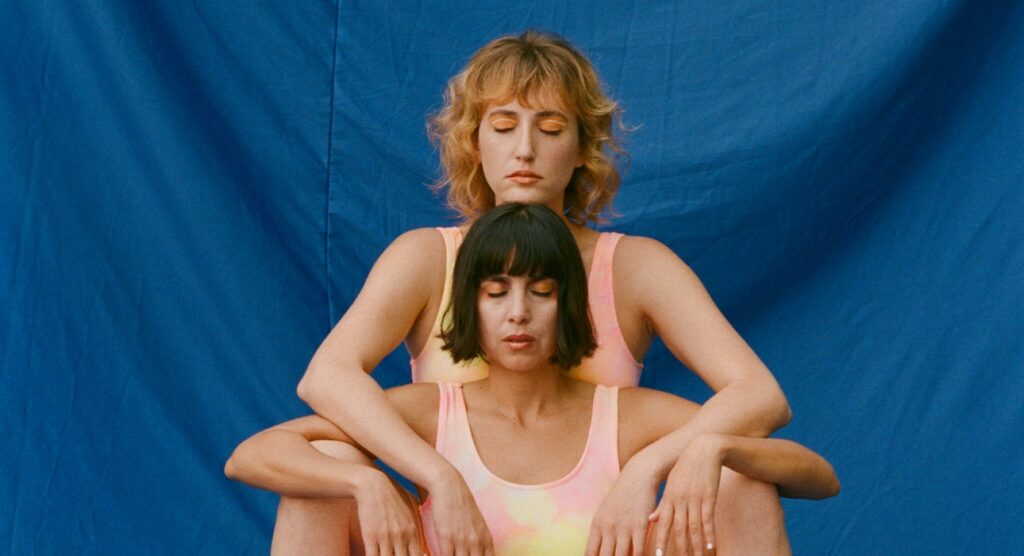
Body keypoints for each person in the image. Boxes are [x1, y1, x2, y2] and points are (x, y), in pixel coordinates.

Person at [290, 30, 796, 555]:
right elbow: (327, 377)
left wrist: (654, 464)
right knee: (327, 468)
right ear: (473, 142)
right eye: (504, 127)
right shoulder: (425, 257)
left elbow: (759, 396)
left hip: (600, 541)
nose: (525, 150)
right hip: (452, 541)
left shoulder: (636, 267)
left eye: (550, 129)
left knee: (740, 472)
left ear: (582, 148)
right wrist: (435, 476)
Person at [226, 204, 840, 556]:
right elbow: (251, 456)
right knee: (327, 468)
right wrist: (365, 482)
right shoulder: (428, 414)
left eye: (541, 292)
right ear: (469, 310)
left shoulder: (624, 416)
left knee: (740, 475)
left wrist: (713, 450)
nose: (518, 313)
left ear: (568, 308)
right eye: (496, 294)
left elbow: (818, 477)